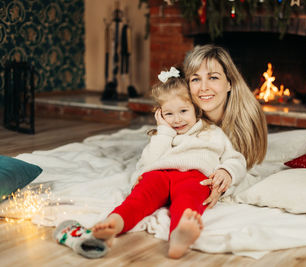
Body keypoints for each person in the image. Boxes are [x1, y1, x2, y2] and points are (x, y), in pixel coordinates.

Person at [91, 67, 246, 259]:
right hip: (160, 174)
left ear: (196, 108)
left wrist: (227, 171)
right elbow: (147, 163)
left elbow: (235, 158)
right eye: (169, 114)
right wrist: (163, 131)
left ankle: (179, 235)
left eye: (183, 111)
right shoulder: (162, 135)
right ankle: (115, 222)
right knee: (141, 196)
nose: (177, 119)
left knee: (188, 201)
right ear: (160, 114)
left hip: (195, 176)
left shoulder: (211, 132)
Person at [183, 44, 268, 207]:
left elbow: (244, 165)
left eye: (213, 77)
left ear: (229, 83)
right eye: (195, 79)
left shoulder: (247, 114)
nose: (203, 87)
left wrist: (221, 184)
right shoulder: (186, 114)